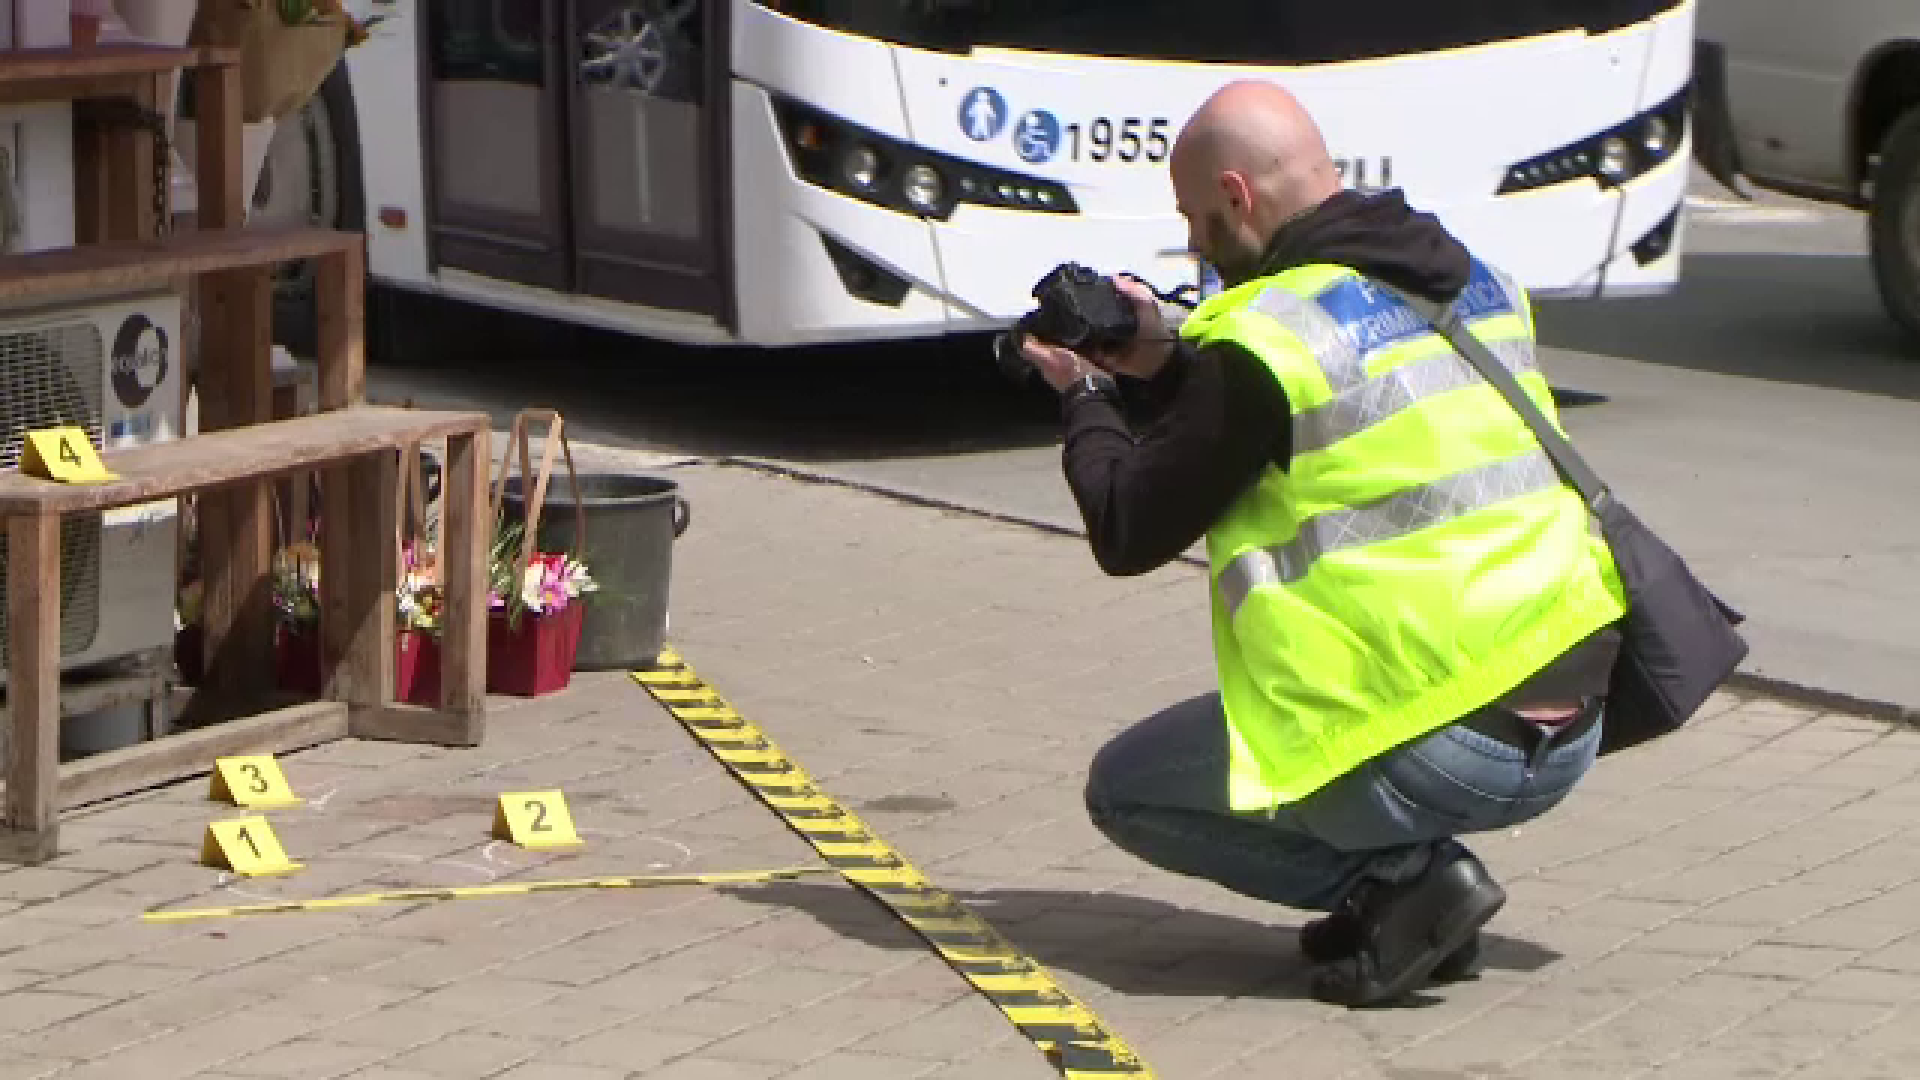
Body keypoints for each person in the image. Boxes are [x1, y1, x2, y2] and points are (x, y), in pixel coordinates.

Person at [1017, 80, 1627, 1009]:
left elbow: (1129, 526)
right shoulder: (1476, 278)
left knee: (1127, 789)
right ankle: (1408, 900)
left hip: (1435, 734)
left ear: (1235, 195)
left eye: (1194, 217)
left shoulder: (1266, 341)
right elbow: (1339, 381)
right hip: (1574, 717)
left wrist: (1086, 398)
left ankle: (1405, 888)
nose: (1193, 244)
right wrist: (1167, 354)